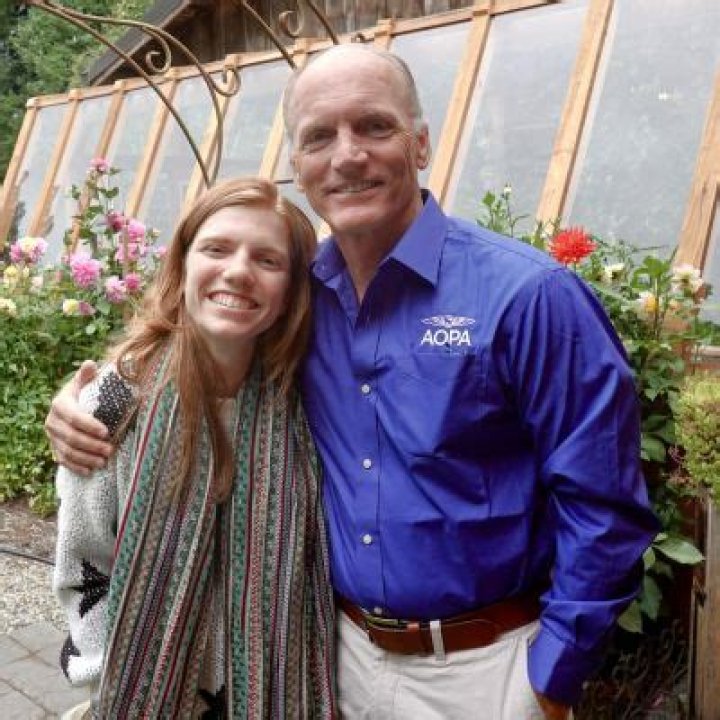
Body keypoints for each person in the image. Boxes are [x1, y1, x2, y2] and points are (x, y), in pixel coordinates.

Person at [47, 45, 658, 719]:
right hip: (333, 661)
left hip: (485, 672)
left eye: (374, 126)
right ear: (298, 164)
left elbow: (605, 508)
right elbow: (197, 348)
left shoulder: (529, 297)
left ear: (420, 143)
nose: (347, 155)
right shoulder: (297, 299)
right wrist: (88, 402)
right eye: (319, 137)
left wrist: (548, 681)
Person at [52, 177, 336, 719]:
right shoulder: (117, 399)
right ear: (183, 264)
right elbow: (83, 562)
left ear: (291, 291)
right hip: (142, 696)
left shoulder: (304, 405)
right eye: (217, 248)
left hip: (271, 696)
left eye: (268, 260)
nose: (238, 271)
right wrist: (111, 675)